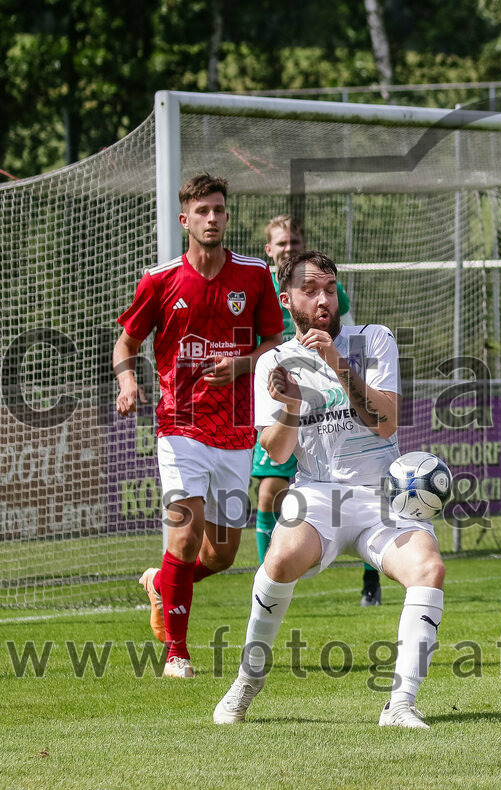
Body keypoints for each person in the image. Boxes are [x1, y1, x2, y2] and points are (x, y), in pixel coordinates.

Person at [213, 250, 446, 730]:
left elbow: (385, 423)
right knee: (279, 560)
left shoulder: (374, 339)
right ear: (286, 300)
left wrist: (336, 362)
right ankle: (247, 680)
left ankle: (401, 704)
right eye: (310, 290)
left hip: (381, 493)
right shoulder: (273, 361)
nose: (324, 299)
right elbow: (277, 451)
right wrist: (292, 406)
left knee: (429, 569)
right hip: (318, 493)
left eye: (330, 288)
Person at [114, 173, 284, 678]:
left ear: (227, 216)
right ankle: (177, 653)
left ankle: (159, 583)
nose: (212, 218)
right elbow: (126, 342)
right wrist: (128, 382)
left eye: (219, 209)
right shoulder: (160, 279)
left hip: (236, 429)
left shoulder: (254, 275)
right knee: (185, 538)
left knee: (222, 555)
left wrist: (242, 364)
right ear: (184, 219)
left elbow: (274, 340)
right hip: (180, 424)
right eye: (202, 211)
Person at [252, 216, 381, 607]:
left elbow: (349, 336)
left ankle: (371, 577)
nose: (288, 248)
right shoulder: (260, 288)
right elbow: (261, 344)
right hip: (280, 392)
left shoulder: (328, 289)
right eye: (281, 243)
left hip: (331, 395)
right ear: (269, 250)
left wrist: (344, 370)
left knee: (365, 487)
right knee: (268, 492)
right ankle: (269, 578)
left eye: (294, 242)